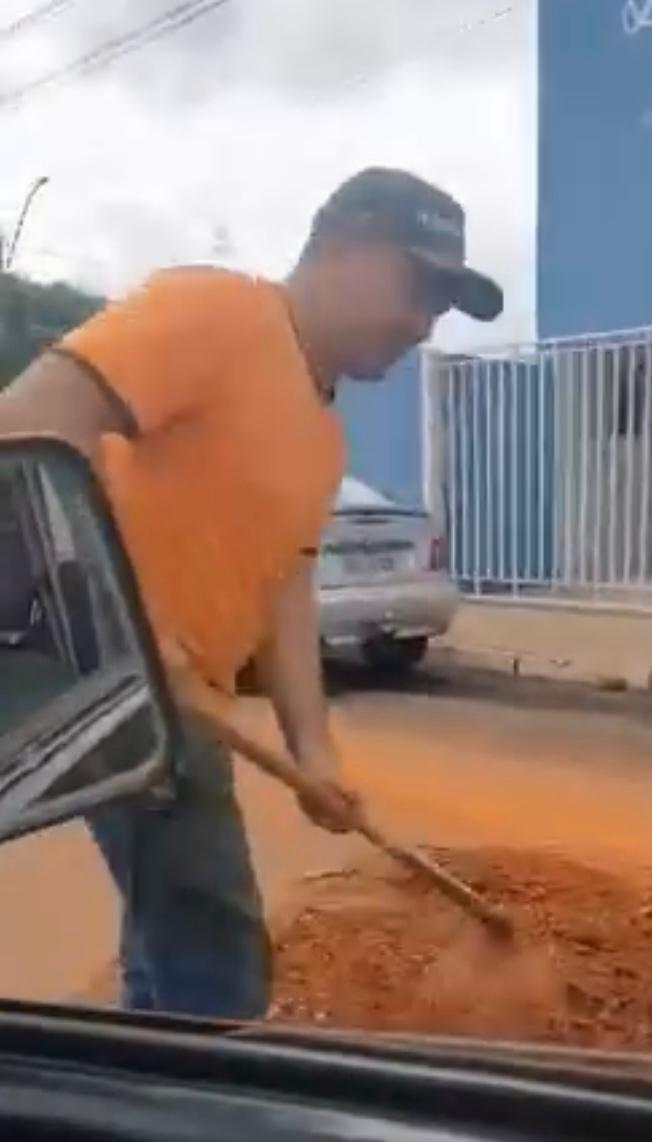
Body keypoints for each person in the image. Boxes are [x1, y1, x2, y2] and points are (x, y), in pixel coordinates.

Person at [0, 168, 503, 1019]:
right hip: (112, 684)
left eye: (441, 307)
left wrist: (315, 753)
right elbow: (31, 421)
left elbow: (286, 592)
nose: (423, 325)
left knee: (172, 926)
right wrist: (114, 623)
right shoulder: (220, 313)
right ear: (344, 246)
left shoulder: (321, 432)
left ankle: (151, 1078)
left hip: (180, 702)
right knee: (215, 948)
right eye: (416, 289)